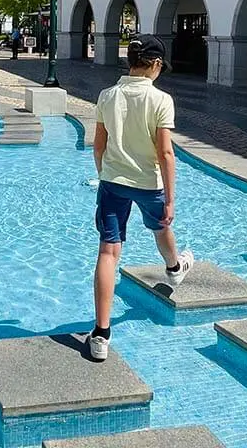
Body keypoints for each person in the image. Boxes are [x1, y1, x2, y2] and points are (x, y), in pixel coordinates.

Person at [88, 35, 193, 362]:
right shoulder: (161, 100)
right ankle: (174, 267)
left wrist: (105, 173)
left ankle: (101, 335)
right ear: (156, 64)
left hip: (113, 182)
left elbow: (98, 146)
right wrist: (171, 198)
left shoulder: (107, 95)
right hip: (150, 183)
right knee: (161, 227)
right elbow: (165, 152)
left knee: (109, 251)